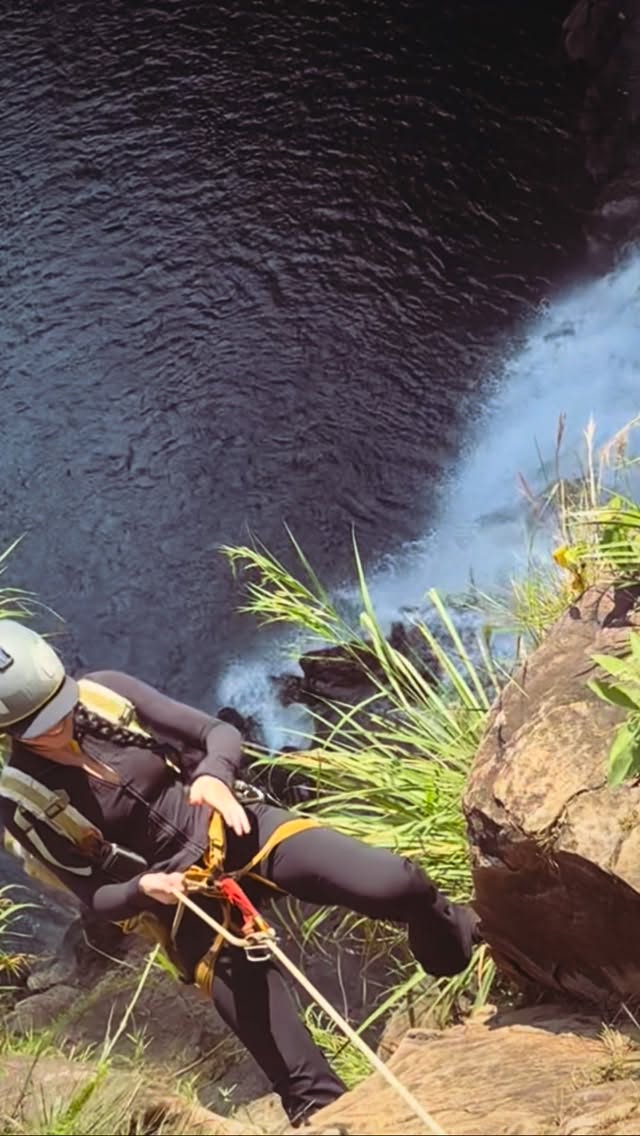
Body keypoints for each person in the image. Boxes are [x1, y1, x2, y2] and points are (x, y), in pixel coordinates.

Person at [0, 619, 479, 1128]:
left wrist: (214, 775)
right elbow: (93, 894)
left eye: (60, 706)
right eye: (40, 726)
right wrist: (143, 889)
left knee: (400, 883)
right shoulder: (22, 799)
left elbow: (217, 733)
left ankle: (459, 949)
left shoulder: (106, 693)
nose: (60, 725)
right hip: (188, 902)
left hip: (237, 827)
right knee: (301, 1083)